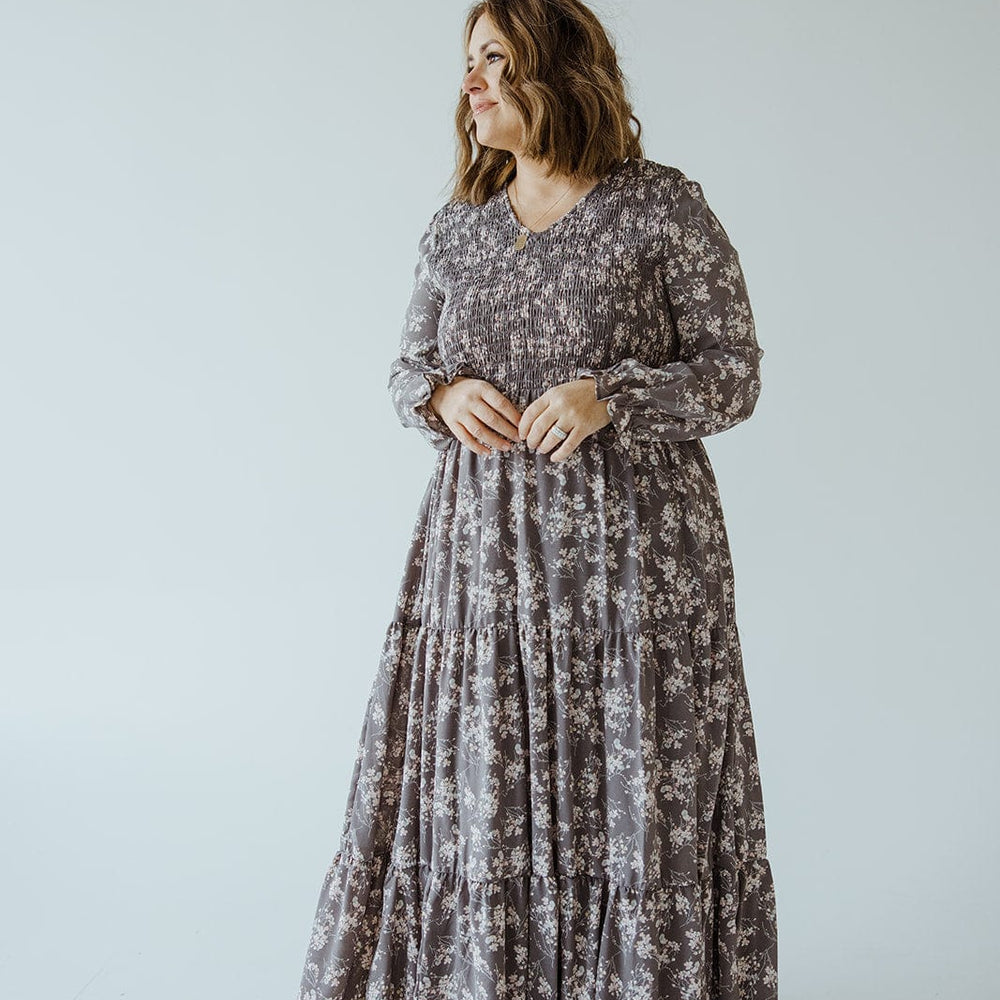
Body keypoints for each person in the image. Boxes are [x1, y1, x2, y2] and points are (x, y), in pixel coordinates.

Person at [297, 1, 778, 997]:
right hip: (481, 571)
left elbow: (734, 373)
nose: (470, 84)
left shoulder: (658, 209)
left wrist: (613, 395)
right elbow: (405, 368)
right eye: (468, 62)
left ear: (558, 74)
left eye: (494, 62)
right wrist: (436, 393)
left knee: (633, 798)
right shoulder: (459, 228)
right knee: (483, 800)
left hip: (634, 572)